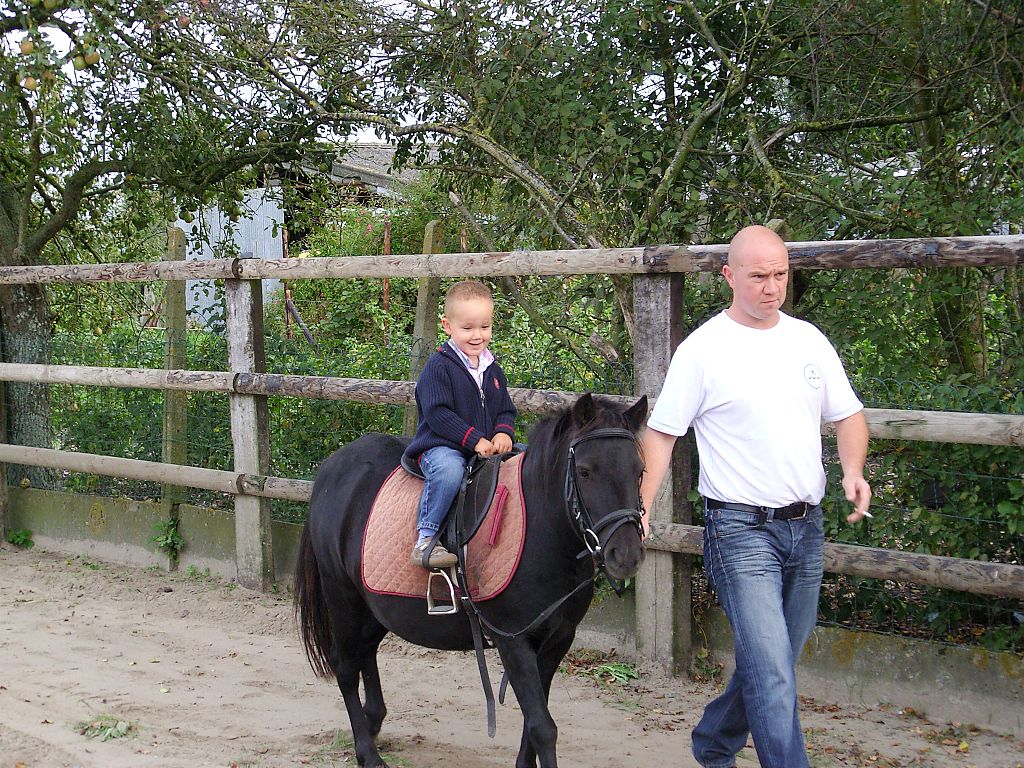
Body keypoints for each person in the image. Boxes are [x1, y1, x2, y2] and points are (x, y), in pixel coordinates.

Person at [639, 225, 872, 768]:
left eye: (781, 275)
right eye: (759, 276)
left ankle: (714, 741)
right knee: (772, 675)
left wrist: (853, 471)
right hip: (740, 531)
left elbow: (849, 415)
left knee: (774, 665)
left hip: (806, 529)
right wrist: (642, 504)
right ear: (729, 276)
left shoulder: (809, 340)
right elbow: (662, 434)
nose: (772, 288)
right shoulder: (702, 351)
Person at [404, 280, 517, 569]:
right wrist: (474, 439)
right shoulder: (438, 367)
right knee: (449, 472)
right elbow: (438, 414)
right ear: (447, 326)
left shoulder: (492, 369)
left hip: (485, 447)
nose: (477, 335)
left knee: (527, 462)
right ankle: (427, 538)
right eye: (467, 328)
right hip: (443, 446)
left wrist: (503, 432)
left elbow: (505, 409)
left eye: (484, 327)